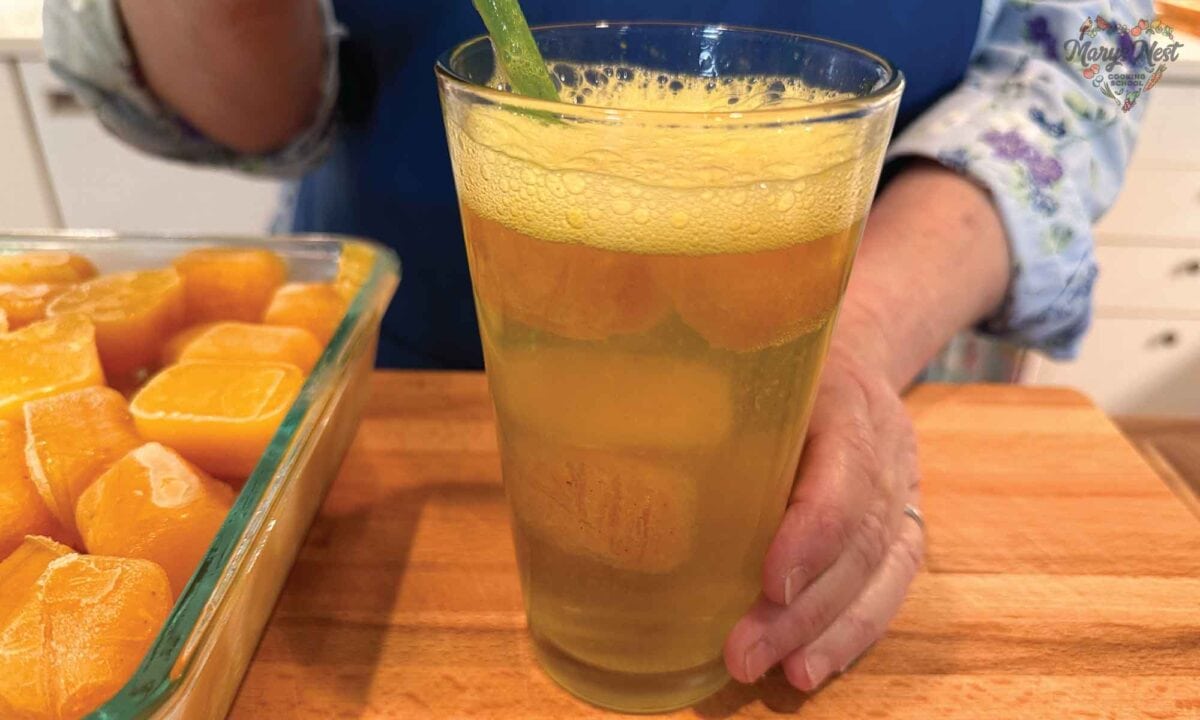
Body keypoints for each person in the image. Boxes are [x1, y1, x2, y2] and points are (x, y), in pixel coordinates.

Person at [45, 0, 1150, 693]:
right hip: (407, 396)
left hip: (843, 330)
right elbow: (212, 95)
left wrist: (844, 342)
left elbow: (1119, 51)